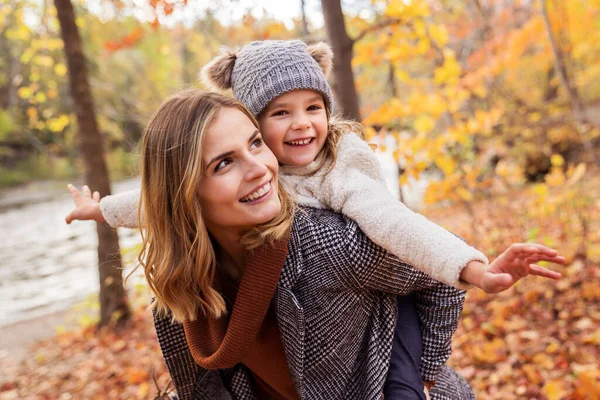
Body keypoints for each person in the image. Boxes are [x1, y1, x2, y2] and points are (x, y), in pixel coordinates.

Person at [66, 40, 563, 398]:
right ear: (185, 195)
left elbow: (413, 243)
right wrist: (99, 209)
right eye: (224, 162)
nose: (259, 167)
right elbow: (150, 207)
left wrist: (424, 373)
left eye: (254, 146)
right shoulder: (183, 287)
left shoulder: (334, 224)